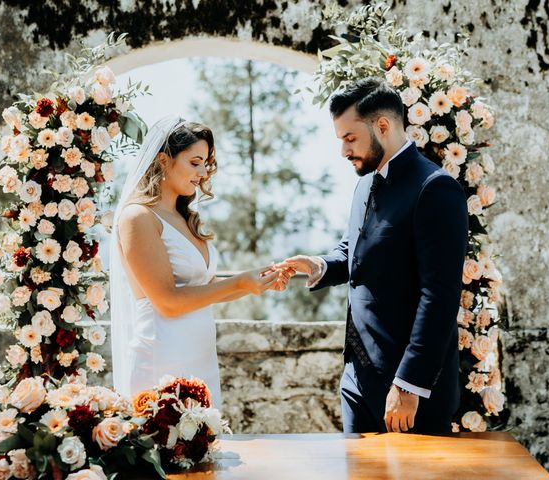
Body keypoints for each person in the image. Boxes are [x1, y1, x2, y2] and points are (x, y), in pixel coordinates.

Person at [278, 78, 468, 433]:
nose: (344, 151)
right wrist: (320, 265)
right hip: (356, 382)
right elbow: (356, 249)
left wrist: (409, 384)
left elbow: (439, 297)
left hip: (408, 392)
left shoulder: (435, 188)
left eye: (350, 139)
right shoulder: (364, 184)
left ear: (383, 125)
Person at [110, 116, 289, 408]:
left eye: (206, 163)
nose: (203, 172)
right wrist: (240, 282)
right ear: (163, 161)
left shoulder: (185, 219)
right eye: (194, 162)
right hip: (160, 356)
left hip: (199, 357)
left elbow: (202, 288)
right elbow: (167, 300)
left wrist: (256, 281)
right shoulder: (138, 218)